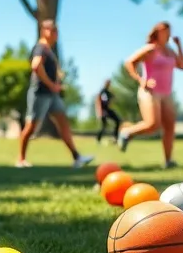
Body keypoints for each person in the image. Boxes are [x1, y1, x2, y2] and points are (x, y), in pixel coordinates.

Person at [17, 20, 94, 169]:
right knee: (31, 126)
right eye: (51, 30)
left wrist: (57, 82)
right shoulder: (40, 47)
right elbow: (36, 66)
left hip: (52, 95)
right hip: (40, 93)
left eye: (56, 31)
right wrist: (51, 84)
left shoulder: (48, 50)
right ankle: (21, 159)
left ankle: (77, 157)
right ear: (43, 31)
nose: (54, 34)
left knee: (63, 122)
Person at [117, 21, 183, 168]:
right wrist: (141, 80)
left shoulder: (170, 51)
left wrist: (179, 46)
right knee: (152, 124)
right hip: (150, 92)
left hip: (166, 93)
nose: (168, 34)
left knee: (169, 126)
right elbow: (129, 63)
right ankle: (127, 132)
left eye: (169, 31)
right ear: (157, 32)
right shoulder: (150, 48)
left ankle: (168, 161)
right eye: (164, 31)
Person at [95, 79, 121, 144]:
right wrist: (99, 111)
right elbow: (98, 101)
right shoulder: (102, 91)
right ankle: (98, 139)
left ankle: (115, 137)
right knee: (104, 125)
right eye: (108, 83)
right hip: (103, 110)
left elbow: (114, 98)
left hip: (107, 109)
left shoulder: (108, 92)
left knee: (118, 121)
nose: (109, 84)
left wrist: (112, 92)